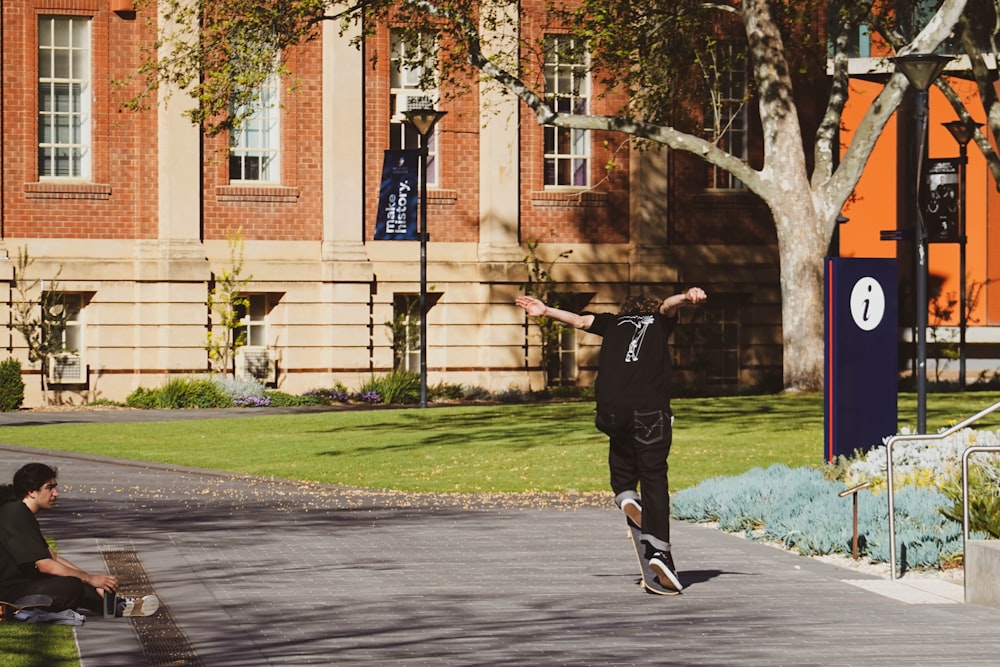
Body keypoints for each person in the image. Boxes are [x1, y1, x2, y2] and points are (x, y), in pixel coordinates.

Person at [516, 287, 707, 594]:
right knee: (654, 477)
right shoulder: (659, 320)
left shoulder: (613, 323)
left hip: (611, 413)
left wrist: (546, 310)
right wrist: (687, 297)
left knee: (621, 447)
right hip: (650, 413)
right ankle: (658, 549)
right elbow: (670, 306)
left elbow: (579, 321)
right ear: (652, 309)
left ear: (625, 310)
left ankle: (625, 494)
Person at [0, 462, 158, 618]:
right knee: (71, 585)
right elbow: (45, 565)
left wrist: (93, 581)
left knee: (73, 579)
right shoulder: (15, 513)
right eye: (49, 488)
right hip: (8, 593)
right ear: (31, 491)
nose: (56, 493)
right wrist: (89, 579)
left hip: (22, 585)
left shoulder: (22, 514)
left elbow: (53, 558)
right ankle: (115, 606)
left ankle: (115, 606)